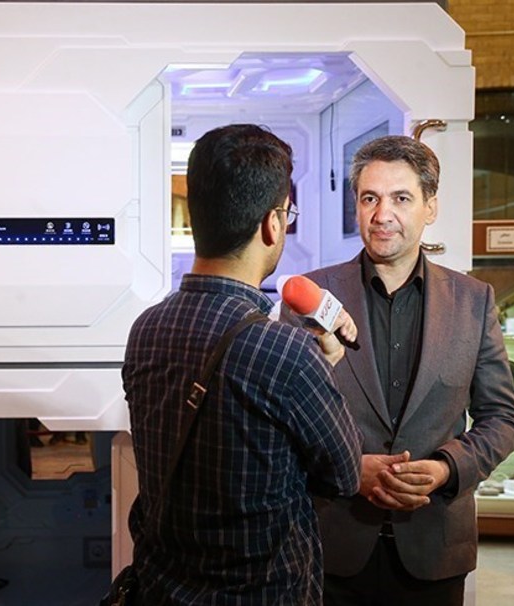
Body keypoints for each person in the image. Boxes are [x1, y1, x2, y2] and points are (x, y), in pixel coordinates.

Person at [122, 124, 363, 605]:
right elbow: (345, 475)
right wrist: (326, 368)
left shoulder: (145, 329)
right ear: (272, 224)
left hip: (161, 591)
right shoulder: (286, 352)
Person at [299, 136, 514, 605]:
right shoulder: (312, 297)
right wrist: (347, 470)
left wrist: (446, 468)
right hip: (330, 550)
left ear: (430, 207)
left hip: (435, 550)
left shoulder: (473, 301)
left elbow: (503, 418)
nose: (382, 214)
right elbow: (285, 422)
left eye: (401, 198)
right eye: (369, 198)